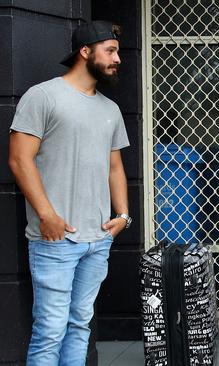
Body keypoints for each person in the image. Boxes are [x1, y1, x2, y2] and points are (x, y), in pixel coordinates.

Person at [8, 21, 131, 365]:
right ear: (85, 51)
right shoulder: (44, 96)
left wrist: (122, 215)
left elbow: (115, 168)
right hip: (55, 240)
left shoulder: (110, 109)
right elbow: (19, 159)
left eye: (118, 51)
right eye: (110, 50)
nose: (117, 58)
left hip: (97, 239)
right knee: (50, 330)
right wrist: (47, 216)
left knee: (79, 325)